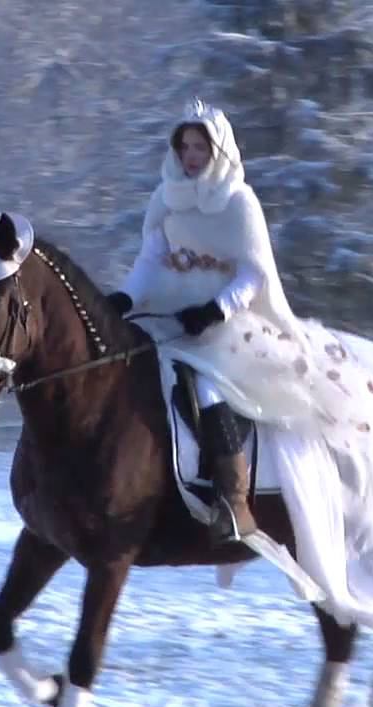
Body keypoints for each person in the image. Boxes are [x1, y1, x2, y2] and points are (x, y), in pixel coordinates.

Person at [106, 97, 314, 543]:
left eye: (199, 147)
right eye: (184, 147)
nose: (191, 156)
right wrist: (126, 296)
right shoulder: (165, 197)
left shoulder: (239, 201)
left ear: (218, 150)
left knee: (206, 384)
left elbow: (253, 272)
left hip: (228, 321)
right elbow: (151, 257)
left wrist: (217, 308)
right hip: (170, 311)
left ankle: (235, 501)